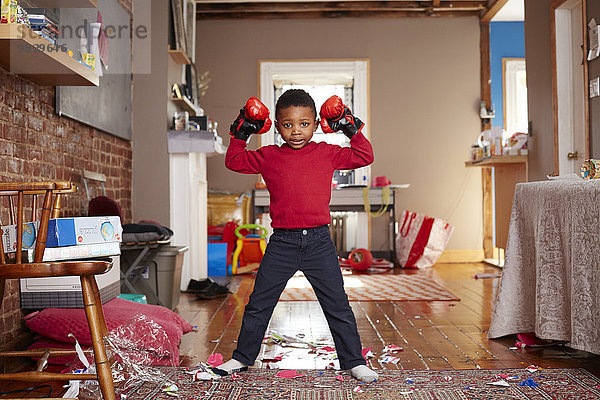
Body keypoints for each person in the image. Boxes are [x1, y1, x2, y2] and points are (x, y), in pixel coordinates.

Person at [214, 89, 378, 383]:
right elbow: (234, 160)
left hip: (319, 242)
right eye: (288, 124)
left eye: (304, 124)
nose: (296, 131)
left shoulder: (327, 152)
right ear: (276, 126)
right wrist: (243, 131)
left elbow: (365, 155)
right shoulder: (268, 156)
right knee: (259, 303)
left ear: (316, 124)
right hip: (282, 243)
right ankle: (241, 358)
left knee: (336, 303)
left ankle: (354, 361)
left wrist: (348, 126)